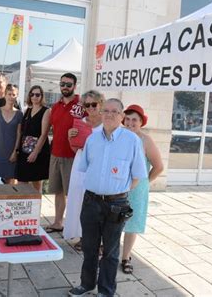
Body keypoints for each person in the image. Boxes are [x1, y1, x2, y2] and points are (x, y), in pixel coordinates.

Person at [69, 98, 147, 297]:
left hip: (116, 204)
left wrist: (119, 193)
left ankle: (106, 291)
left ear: (121, 116)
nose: (110, 114)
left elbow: (137, 176)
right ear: (100, 114)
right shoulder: (92, 139)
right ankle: (86, 285)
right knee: (89, 248)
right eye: (106, 111)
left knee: (111, 253)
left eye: (115, 111)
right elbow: (85, 167)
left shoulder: (132, 141)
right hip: (91, 201)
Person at [120, 104, 164, 274]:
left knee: (132, 222)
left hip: (137, 189)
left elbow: (158, 167)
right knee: (113, 221)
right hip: (117, 186)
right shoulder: (119, 136)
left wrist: (144, 182)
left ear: (141, 122)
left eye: (135, 120)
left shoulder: (145, 140)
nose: (130, 123)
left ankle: (126, 257)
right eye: (128, 119)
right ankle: (109, 252)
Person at [63, 90, 104, 250]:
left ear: (100, 103)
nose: (90, 107)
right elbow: (75, 149)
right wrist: (70, 136)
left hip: (99, 165)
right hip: (81, 163)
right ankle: (82, 236)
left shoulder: (107, 123)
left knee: (97, 202)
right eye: (87, 104)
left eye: (94, 104)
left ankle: (99, 240)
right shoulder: (80, 122)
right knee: (79, 198)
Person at [45, 72, 84, 234]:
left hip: (72, 156)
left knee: (73, 193)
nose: (65, 87)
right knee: (58, 191)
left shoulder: (81, 105)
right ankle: (57, 222)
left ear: (74, 86)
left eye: (68, 84)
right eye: (62, 84)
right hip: (55, 153)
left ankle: (74, 227)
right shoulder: (55, 106)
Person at [16, 85, 51, 192]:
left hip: (38, 150)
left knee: (36, 182)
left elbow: (44, 133)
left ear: (41, 96)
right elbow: (21, 131)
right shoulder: (27, 110)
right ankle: (23, 205)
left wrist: (35, 152)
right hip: (24, 149)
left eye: (37, 94)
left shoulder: (46, 111)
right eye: (32, 94)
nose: (34, 97)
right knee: (21, 180)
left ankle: (37, 207)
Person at [0, 84, 23, 184]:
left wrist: (15, 152)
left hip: (11, 153)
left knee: (10, 183)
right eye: (9, 94)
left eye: (14, 95)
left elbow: (19, 134)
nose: (11, 97)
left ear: (17, 96)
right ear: (5, 95)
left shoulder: (19, 114)